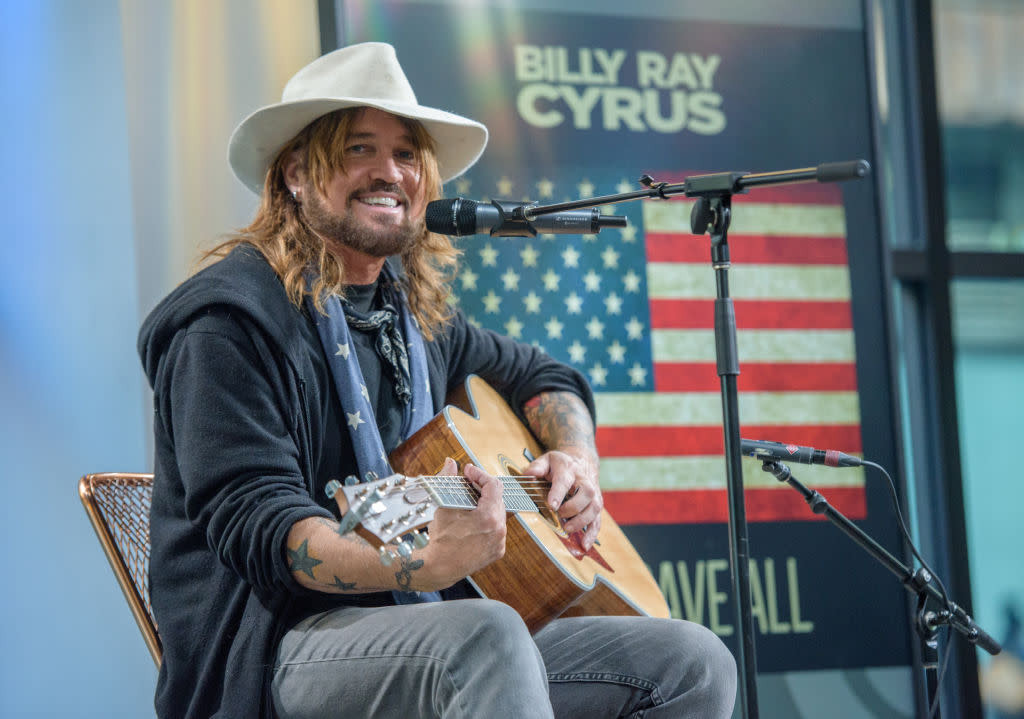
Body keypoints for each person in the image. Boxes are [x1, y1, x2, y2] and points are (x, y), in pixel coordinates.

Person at [138, 42, 737, 719]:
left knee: (692, 660)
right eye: (359, 149)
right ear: (297, 176)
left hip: (431, 628)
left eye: (406, 154)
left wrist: (575, 459)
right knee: (486, 636)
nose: (389, 171)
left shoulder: (414, 318)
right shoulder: (228, 323)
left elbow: (544, 375)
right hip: (273, 650)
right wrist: (420, 564)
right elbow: (265, 528)